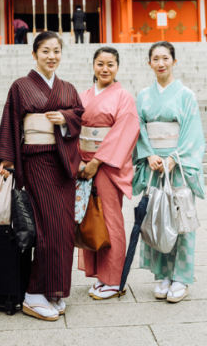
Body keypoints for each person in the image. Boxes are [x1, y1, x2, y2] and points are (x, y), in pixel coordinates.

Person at [0, 31, 84, 321]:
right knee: (46, 228)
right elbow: (10, 122)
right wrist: (7, 160)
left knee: (63, 229)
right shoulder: (21, 86)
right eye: (45, 51)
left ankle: (55, 291)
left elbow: (78, 116)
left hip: (62, 166)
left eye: (56, 51)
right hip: (36, 162)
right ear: (34, 54)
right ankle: (34, 293)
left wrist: (66, 119)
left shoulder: (68, 88)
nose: (51, 56)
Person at [132, 41, 205, 304]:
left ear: (174, 61)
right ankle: (163, 274)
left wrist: (176, 158)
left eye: (166, 58)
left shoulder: (186, 95)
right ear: (149, 63)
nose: (161, 63)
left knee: (180, 220)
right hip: (154, 166)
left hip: (178, 167)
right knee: (157, 219)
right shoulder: (142, 96)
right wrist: (148, 154)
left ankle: (182, 277)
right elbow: (138, 128)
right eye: (155, 58)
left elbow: (193, 132)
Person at [77, 47, 140, 299]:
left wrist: (98, 161)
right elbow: (74, 128)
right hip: (83, 164)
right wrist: (79, 161)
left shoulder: (123, 96)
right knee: (90, 217)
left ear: (117, 67)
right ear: (93, 65)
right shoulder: (82, 96)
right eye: (100, 64)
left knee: (110, 219)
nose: (105, 69)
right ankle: (101, 276)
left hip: (106, 166)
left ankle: (114, 280)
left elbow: (125, 131)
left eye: (110, 64)